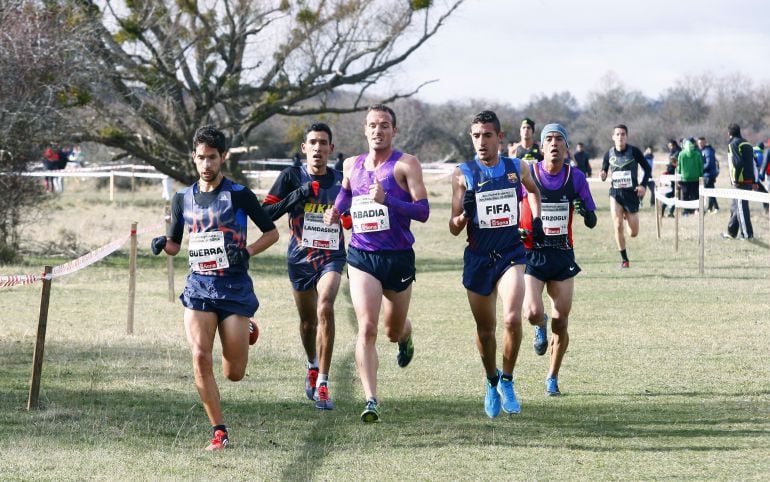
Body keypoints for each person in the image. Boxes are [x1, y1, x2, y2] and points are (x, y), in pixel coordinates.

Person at [150, 125, 279, 451]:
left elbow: (271, 233)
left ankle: (245, 327)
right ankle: (219, 432)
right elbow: (176, 245)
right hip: (199, 287)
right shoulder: (183, 198)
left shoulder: (239, 194)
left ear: (223, 157)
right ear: (193, 158)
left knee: (234, 373)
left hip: (234, 288)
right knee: (199, 356)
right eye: (200, 158)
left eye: (212, 158)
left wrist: (247, 251)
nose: (206, 164)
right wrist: (161, 243)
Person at [323, 104, 429, 423]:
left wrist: (390, 201)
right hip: (362, 255)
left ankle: (405, 336)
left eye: (384, 125)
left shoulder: (406, 165)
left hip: (397, 257)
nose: (378, 130)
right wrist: (335, 211)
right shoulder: (351, 164)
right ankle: (371, 399)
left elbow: (422, 211)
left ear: (393, 131)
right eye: (372, 125)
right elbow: (344, 195)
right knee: (367, 327)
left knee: (392, 330)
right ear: (365, 130)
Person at [449, 110, 542, 418]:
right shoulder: (463, 173)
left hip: (510, 254)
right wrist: (464, 214)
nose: (481, 142)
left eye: (487, 135)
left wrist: (537, 217)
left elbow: (533, 191)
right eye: (476, 136)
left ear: (500, 138)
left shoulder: (518, 167)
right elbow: (453, 226)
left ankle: (508, 379)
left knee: (513, 319)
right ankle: (491, 382)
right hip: (478, 259)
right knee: (486, 331)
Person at [262, 123, 346, 410]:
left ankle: (323, 382)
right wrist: (297, 195)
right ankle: (311, 364)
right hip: (299, 258)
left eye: (324, 143)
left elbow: (353, 218)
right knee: (308, 323)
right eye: (313, 142)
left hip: (332, 256)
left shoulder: (341, 181)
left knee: (325, 306)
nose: (318, 148)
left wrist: (341, 218)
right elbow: (265, 214)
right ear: (304, 148)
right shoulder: (290, 176)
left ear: (331, 149)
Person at [520, 123, 597, 397]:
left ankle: (552, 377)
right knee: (531, 311)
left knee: (561, 321)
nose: (554, 144)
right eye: (549, 139)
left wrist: (586, 214)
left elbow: (591, 218)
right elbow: (514, 203)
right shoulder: (528, 173)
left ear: (566, 147)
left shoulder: (575, 177)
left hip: (562, 254)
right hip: (533, 252)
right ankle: (538, 326)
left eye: (559, 140)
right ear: (542, 147)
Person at [600, 124, 651, 268]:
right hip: (615, 194)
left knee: (633, 233)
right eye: (617, 134)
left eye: (623, 134)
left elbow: (647, 169)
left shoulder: (634, 151)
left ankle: (627, 216)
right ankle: (624, 260)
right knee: (617, 225)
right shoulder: (608, 154)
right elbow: (604, 170)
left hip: (631, 194)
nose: (620, 137)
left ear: (626, 137)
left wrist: (643, 185)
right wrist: (603, 174)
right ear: (613, 137)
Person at [723, 123, 755, 239]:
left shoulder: (733, 144)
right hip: (748, 179)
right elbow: (753, 163)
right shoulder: (747, 143)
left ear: (729, 133)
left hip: (741, 181)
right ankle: (732, 232)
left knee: (741, 208)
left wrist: (736, 179)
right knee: (735, 207)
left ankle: (747, 235)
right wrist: (754, 181)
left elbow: (738, 163)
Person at [676, 138, 704, 216]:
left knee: (685, 195)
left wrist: (679, 176)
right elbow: (700, 166)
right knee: (695, 194)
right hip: (695, 178)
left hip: (684, 178)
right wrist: (701, 176)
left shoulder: (681, 154)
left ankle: (686, 211)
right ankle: (696, 210)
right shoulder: (697, 154)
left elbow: (679, 167)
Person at [697, 136, 720, 213]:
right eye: (699, 143)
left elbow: (709, 163)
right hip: (708, 174)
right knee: (709, 191)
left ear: (705, 142)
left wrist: (700, 169)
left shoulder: (707, 151)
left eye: (701, 143)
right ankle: (710, 208)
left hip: (708, 174)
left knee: (710, 192)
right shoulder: (703, 150)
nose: (700, 144)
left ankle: (716, 207)